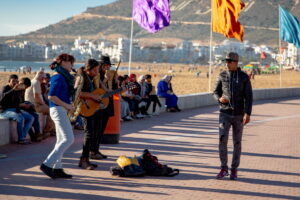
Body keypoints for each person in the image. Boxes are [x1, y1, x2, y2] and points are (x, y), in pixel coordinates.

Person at [213, 52, 253, 180]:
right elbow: (215, 92)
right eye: (226, 61)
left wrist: (248, 113)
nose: (226, 63)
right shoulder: (222, 75)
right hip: (224, 114)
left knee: (237, 143)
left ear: (235, 62)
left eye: (229, 61)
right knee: (222, 141)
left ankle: (234, 169)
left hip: (238, 116)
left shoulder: (243, 77)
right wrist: (219, 99)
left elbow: (249, 97)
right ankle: (223, 168)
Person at [40, 53, 76, 179]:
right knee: (69, 139)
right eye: (71, 62)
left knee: (61, 140)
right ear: (63, 63)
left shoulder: (62, 77)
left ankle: (57, 168)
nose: (72, 65)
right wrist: (67, 105)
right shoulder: (58, 77)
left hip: (60, 109)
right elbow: (51, 96)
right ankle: (47, 164)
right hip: (58, 109)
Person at [76, 59, 102, 170]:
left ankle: (85, 159)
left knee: (91, 133)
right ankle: (84, 160)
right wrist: (92, 96)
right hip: (83, 108)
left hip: (90, 108)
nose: (97, 72)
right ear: (88, 69)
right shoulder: (80, 77)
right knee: (88, 134)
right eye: (95, 69)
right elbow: (77, 93)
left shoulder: (91, 78)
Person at [0, 74, 34, 144]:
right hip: (4, 111)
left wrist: (20, 109)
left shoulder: (16, 90)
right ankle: (21, 139)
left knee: (30, 118)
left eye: (16, 81)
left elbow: (16, 102)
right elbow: (2, 98)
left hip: (14, 109)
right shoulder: (5, 88)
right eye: (13, 81)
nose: (15, 83)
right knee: (20, 118)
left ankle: (23, 137)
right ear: (9, 81)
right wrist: (13, 89)